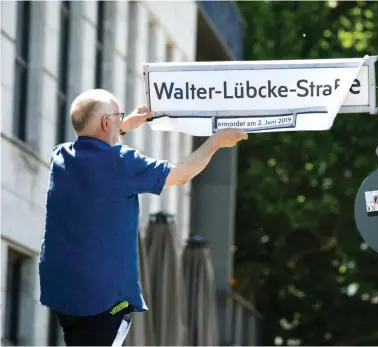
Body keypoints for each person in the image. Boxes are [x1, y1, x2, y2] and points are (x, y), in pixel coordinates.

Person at [39, 89, 247, 346]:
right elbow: (181, 174)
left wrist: (123, 126)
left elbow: (94, 148)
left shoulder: (60, 156)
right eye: (117, 116)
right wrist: (216, 141)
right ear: (106, 122)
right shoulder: (122, 162)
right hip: (107, 301)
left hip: (63, 293)